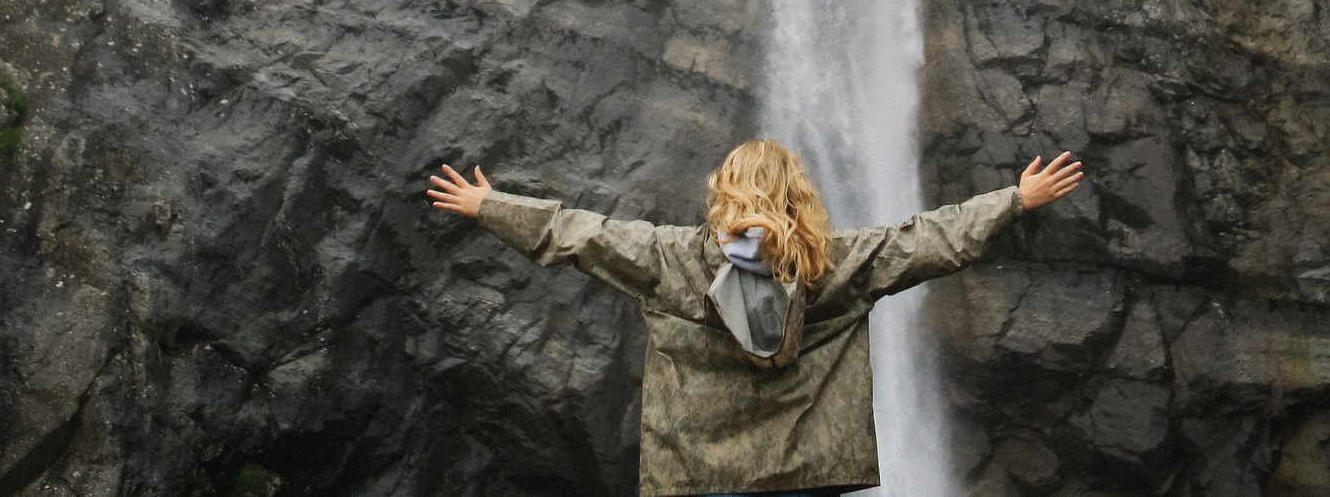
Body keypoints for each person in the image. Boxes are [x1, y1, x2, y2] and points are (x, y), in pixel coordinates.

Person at [427, 139, 1085, 497]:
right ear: (797, 192)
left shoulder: (672, 257)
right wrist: (1014, 199)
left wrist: (490, 205)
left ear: (723, 190)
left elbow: (580, 233)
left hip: (698, 476)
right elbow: (929, 239)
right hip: (807, 474)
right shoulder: (836, 264)